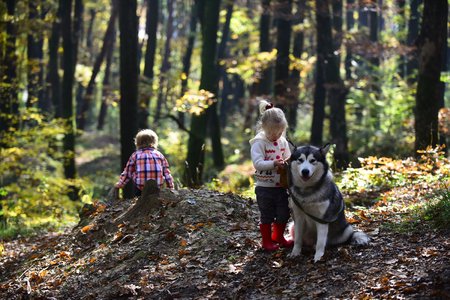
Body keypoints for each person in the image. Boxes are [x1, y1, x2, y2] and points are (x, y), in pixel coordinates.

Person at [249, 100, 293, 251]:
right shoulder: (259, 143)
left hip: (280, 186)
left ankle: (278, 236)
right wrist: (274, 163)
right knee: (267, 214)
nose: (276, 136)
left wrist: (285, 164)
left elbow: (287, 157)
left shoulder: (282, 142)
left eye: (279, 133)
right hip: (264, 187)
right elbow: (258, 163)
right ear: (263, 128)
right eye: (272, 133)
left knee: (283, 213)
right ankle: (266, 241)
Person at [114, 129, 174, 197]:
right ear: (155, 142)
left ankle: (138, 197)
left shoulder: (135, 155)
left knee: (134, 173)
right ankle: (155, 198)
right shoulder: (160, 155)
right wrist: (170, 187)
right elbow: (167, 174)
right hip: (157, 186)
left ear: (138, 143)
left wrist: (120, 184)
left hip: (141, 187)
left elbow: (128, 173)